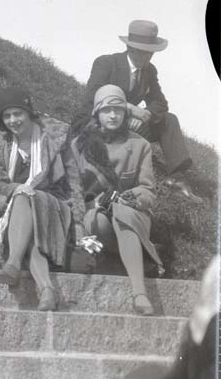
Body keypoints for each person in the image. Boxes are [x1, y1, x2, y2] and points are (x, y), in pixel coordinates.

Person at [0, 87, 84, 312]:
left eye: (18, 113)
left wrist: (79, 222)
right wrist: (18, 188)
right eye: (7, 116)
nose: (13, 120)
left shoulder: (53, 138)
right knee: (24, 203)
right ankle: (47, 289)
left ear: (29, 113)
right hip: (16, 208)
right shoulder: (0, 142)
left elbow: (74, 181)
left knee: (27, 197)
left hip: (54, 204)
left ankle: (12, 263)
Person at [74, 85, 164, 315]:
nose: (113, 115)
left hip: (131, 214)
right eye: (107, 110)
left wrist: (130, 198)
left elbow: (148, 190)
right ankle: (129, 257)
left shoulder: (140, 145)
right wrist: (92, 205)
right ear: (97, 114)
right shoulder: (81, 145)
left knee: (122, 214)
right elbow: (72, 190)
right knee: (98, 220)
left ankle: (139, 292)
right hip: (97, 216)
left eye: (118, 110)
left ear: (126, 113)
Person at [80, 20, 194, 190]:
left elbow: (160, 102)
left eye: (150, 52)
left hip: (130, 124)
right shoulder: (106, 63)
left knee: (169, 120)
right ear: (130, 47)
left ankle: (177, 176)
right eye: (141, 51)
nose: (147, 56)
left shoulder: (150, 71)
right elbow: (93, 94)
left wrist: (145, 114)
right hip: (102, 121)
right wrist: (130, 109)